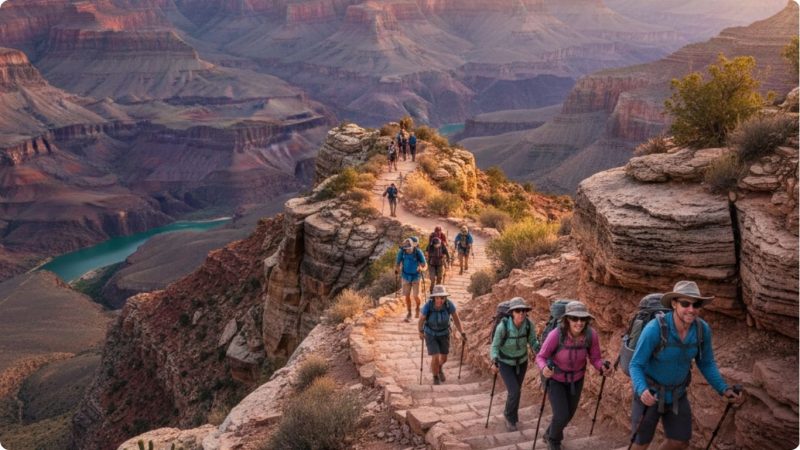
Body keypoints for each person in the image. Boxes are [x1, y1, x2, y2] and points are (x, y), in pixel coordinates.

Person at [629, 281, 741, 450]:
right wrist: (641, 389)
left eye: (696, 304)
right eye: (685, 303)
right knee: (640, 444)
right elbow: (636, 364)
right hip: (650, 394)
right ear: (674, 304)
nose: (691, 309)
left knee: (680, 442)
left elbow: (706, 362)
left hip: (677, 395)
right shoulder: (655, 329)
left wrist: (723, 389)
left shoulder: (702, 330)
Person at [536, 301, 611, 450]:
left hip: (576, 379)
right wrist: (544, 368)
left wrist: (601, 367)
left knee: (569, 414)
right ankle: (554, 441)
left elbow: (595, 358)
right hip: (554, 379)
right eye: (574, 318)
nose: (579, 322)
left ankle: (549, 433)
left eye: (583, 319)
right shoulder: (555, 335)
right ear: (567, 319)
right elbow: (541, 356)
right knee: (561, 414)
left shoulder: (591, 335)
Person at [490, 297, 539, 432]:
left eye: (523, 310)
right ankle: (509, 418)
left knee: (517, 390)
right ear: (512, 312)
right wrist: (494, 360)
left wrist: (539, 350)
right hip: (505, 363)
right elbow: (495, 346)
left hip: (521, 362)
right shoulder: (503, 326)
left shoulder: (529, 325)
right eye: (518, 310)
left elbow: (533, 341)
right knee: (514, 391)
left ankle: (511, 414)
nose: (521, 313)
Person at [418, 285, 466, 385]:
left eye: (442, 297)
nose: (440, 300)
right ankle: (435, 376)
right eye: (437, 297)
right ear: (434, 298)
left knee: (444, 358)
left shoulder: (449, 305)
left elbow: (456, 319)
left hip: (444, 333)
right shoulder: (428, 305)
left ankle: (439, 368)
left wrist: (462, 332)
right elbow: (421, 319)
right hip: (430, 333)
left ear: (445, 297)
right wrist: (420, 331)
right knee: (435, 356)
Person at [395, 238, 427, 322]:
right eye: (406, 249)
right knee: (407, 295)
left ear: (413, 246)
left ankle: (417, 307)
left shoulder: (418, 252)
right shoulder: (402, 252)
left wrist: (421, 268)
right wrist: (397, 269)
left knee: (416, 295)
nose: (407, 250)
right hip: (405, 276)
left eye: (409, 248)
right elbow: (397, 263)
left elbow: (424, 264)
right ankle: (409, 313)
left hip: (416, 276)